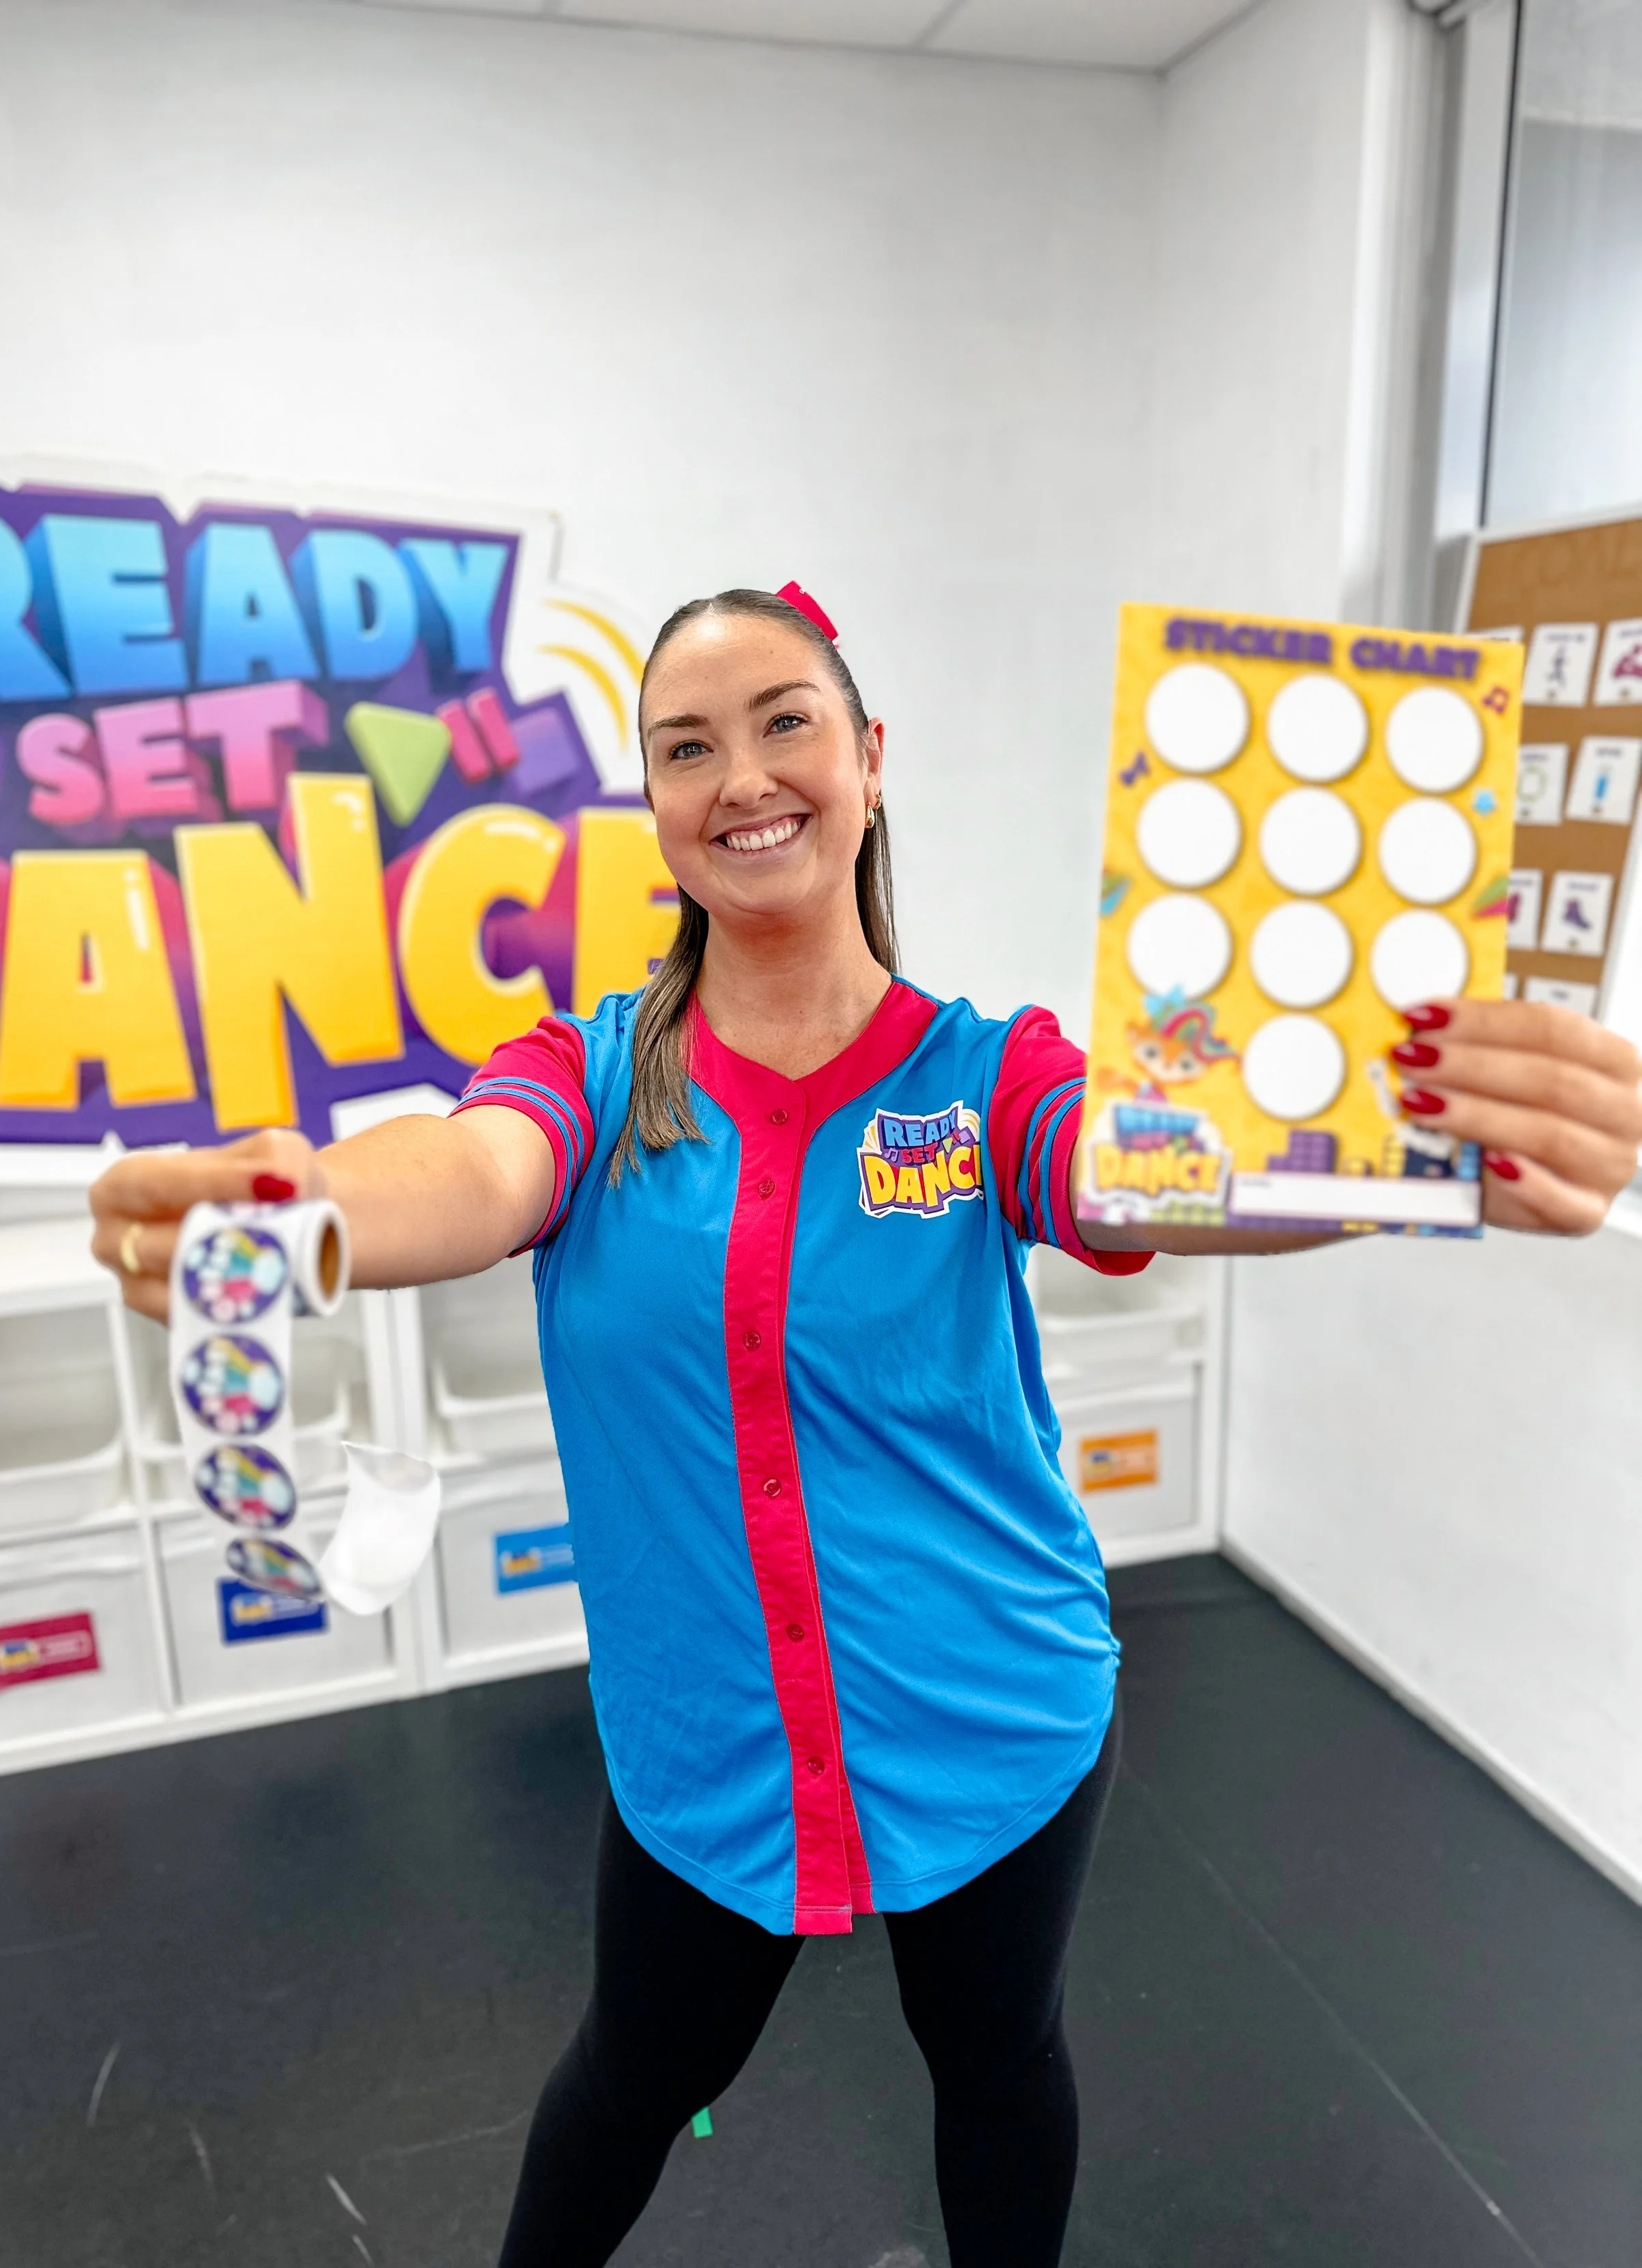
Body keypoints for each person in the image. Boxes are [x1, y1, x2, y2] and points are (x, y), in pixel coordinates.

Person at [91, 586, 1642, 2267]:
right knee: (633, 2073)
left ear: (867, 758)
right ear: (655, 810)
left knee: (995, 2066)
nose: (741, 774)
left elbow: (1134, 1166)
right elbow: (470, 1172)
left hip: (995, 1717)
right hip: (708, 1754)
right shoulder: (592, 1077)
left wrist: (1387, 1161)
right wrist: (301, 1207)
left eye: (783, 720)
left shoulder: (986, 1076)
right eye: (686, 746)